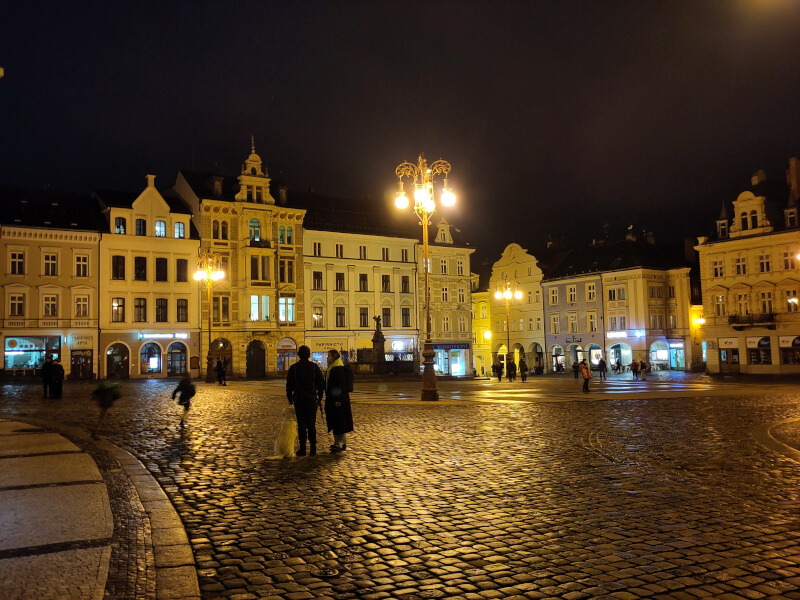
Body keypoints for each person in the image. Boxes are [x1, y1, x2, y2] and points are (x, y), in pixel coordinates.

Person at [286, 345, 325, 456]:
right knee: (311, 424)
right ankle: (313, 448)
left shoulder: (294, 368)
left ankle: (302, 448)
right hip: (311, 399)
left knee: (301, 423)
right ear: (309, 355)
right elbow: (321, 383)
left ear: (299, 355)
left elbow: (289, 385)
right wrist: (320, 397)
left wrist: (290, 398)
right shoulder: (314, 367)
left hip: (299, 399)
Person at [325, 349, 354, 453]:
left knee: (338, 421)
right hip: (336, 400)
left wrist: (337, 400)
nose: (327, 358)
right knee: (339, 421)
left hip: (337, 401)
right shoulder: (334, 367)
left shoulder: (337, 369)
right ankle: (341, 442)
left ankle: (338, 443)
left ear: (334, 357)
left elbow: (339, 385)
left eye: (329, 356)